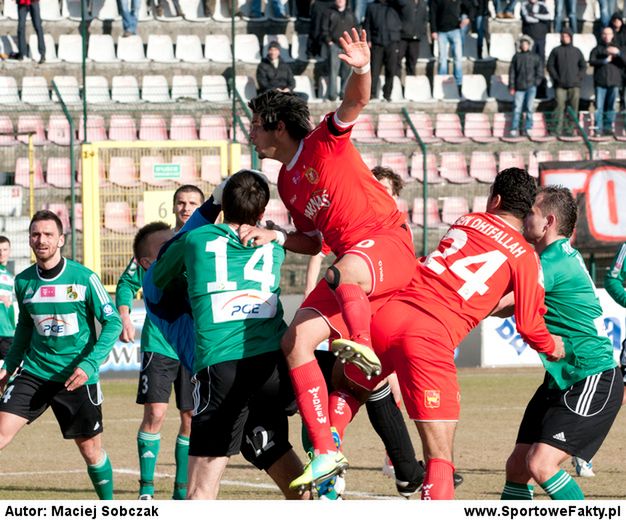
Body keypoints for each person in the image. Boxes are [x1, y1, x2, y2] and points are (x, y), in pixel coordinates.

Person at [245, 28, 418, 491]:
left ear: (277, 125)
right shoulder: (286, 181)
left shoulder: (325, 139)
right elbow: (315, 241)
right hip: (352, 269)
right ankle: (325, 450)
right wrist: (277, 236)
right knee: (295, 342)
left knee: (346, 275)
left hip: (388, 245)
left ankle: (358, 341)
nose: (251, 131)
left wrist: (361, 67)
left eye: (256, 123)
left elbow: (356, 101)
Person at [360, 168, 565, 499]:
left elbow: (447, 270)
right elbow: (528, 324)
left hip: (388, 315)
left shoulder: (467, 220)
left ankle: (328, 453)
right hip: (429, 335)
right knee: (440, 459)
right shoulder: (525, 256)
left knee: (346, 394)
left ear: (494, 199)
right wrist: (551, 345)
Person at [145, 171, 309, 499]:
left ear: (223, 205)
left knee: (199, 491)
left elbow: (158, 277)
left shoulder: (196, 240)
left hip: (222, 368)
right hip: (270, 368)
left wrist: (211, 207)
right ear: (262, 213)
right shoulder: (275, 248)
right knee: (272, 449)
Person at [498, 186, 622, 500]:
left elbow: (504, 305)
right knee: (517, 466)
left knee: (541, 464)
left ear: (548, 221)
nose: (525, 218)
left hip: (591, 377)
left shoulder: (551, 263)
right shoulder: (557, 255)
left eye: (531, 213)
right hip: (562, 379)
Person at [0, 210, 122, 499]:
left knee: (91, 451)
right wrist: (9, 366)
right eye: (35, 234)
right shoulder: (24, 282)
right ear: (29, 239)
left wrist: (90, 364)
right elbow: (24, 328)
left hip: (76, 377)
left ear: (61, 239)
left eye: (48, 234)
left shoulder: (84, 278)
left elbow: (113, 322)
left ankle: (110, 507)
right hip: (35, 372)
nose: (41, 240)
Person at [116, 184, 204, 500]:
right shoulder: (158, 244)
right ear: (173, 206)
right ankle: (147, 491)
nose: (186, 208)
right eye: (181, 202)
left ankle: (181, 492)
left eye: (193, 202)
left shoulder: (205, 239)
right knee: (155, 414)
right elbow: (126, 283)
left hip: (194, 344)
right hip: (159, 342)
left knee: (190, 417)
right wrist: (125, 316)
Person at [546, 28, 587, 136]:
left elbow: (583, 65)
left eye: (567, 36)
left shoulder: (577, 51)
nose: (565, 38)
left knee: (573, 109)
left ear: (571, 37)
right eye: (563, 36)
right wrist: (556, 78)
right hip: (560, 86)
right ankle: (556, 130)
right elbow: (550, 65)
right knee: (558, 107)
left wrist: (578, 78)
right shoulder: (556, 50)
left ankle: (569, 130)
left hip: (575, 86)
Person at [363, 0, 403, 101]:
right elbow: (367, 24)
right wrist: (368, 39)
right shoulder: (371, 6)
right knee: (374, 70)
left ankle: (387, 94)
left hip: (392, 42)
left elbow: (404, 3)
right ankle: (371, 94)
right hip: (377, 42)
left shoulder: (395, 5)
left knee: (391, 69)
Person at [589, 26, 625, 136]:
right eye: (604, 34)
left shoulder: (618, 48)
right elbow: (591, 61)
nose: (607, 36)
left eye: (609, 34)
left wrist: (618, 53)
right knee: (599, 107)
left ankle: (608, 128)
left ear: (613, 35)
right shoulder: (597, 49)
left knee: (611, 107)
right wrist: (605, 60)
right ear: (601, 35)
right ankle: (598, 129)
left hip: (614, 82)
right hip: (600, 83)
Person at [430, 0, 469, 96]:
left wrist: (468, 18)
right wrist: (433, 30)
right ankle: (442, 84)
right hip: (441, 31)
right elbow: (432, 13)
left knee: (458, 59)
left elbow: (470, 5)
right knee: (442, 59)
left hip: (455, 30)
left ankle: (459, 84)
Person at [321, 0, 357, 101]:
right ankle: (332, 96)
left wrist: (353, 43)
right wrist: (329, 42)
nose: (340, 0)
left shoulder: (351, 13)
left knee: (348, 71)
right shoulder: (329, 12)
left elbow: (356, 28)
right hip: (334, 46)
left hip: (348, 47)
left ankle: (344, 94)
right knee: (333, 71)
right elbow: (324, 29)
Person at [509, 35, 543, 137]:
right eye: (522, 44)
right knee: (517, 108)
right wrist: (512, 86)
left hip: (531, 87)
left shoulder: (535, 57)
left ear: (529, 45)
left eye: (526, 44)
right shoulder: (516, 57)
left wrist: (536, 83)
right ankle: (514, 128)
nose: (524, 46)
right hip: (519, 87)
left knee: (529, 108)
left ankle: (528, 127)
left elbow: (540, 71)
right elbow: (512, 73)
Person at [520, 0, 552, 74]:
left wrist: (534, 15)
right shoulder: (524, 5)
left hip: (541, 36)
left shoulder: (543, 5)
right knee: (530, 57)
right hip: (529, 37)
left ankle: (541, 75)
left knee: (541, 57)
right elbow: (528, 19)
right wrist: (540, 18)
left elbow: (548, 16)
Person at [397, 0, 428, 74]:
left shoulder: (423, 3)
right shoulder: (403, 2)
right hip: (402, 36)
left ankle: (410, 82)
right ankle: (396, 82)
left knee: (412, 62)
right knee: (397, 60)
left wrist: (422, 30)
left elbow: (425, 18)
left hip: (416, 37)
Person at [0, 236, 15, 364]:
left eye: (5, 249)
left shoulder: (11, 278)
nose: (1, 253)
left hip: (7, 331)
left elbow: (11, 306)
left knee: (9, 371)